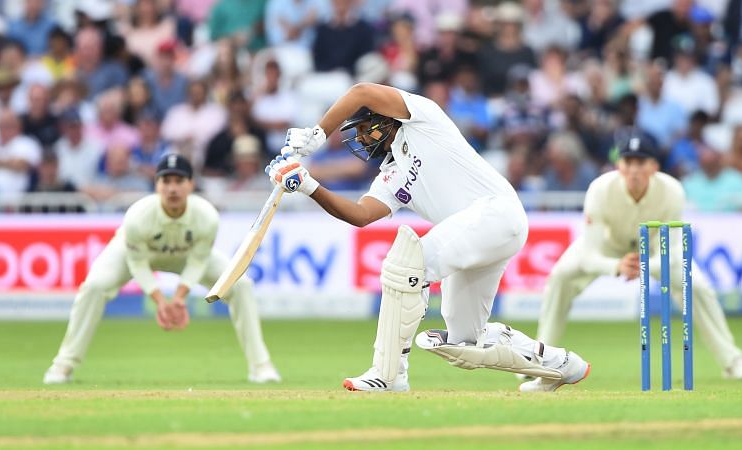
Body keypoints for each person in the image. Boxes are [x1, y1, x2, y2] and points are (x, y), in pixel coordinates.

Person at [265, 82, 591, 393]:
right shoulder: (390, 177)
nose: (363, 140)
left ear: (386, 117)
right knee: (466, 344)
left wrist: (317, 134)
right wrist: (309, 186)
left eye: (367, 129)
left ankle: (389, 374)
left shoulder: (423, 117)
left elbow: (361, 91)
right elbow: (360, 215)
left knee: (409, 264)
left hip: (496, 213)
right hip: (478, 233)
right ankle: (562, 364)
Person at [531, 129, 742, 384]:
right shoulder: (600, 189)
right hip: (609, 248)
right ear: (619, 165)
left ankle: (733, 361)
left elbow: (673, 253)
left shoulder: (672, 190)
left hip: (654, 251)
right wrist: (616, 266)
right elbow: (588, 254)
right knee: (561, 275)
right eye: (628, 162)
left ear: (654, 167)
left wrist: (644, 264)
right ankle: (539, 362)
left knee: (696, 286)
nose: (634, 170)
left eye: (641, 163)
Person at [43, 154, 280, 385]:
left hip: (186, 255)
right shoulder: (138, 216)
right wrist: (161, 302)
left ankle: (261, 366)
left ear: (191, 184)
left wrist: (178, 299)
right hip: (136, 254)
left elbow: (198, 261)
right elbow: (137, 263)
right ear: (157, 185)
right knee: (94, 286)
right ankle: (63, 365)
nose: (172, 189)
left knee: (240, 285)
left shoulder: (207, 216)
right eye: (166, 181)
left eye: (179, 181)